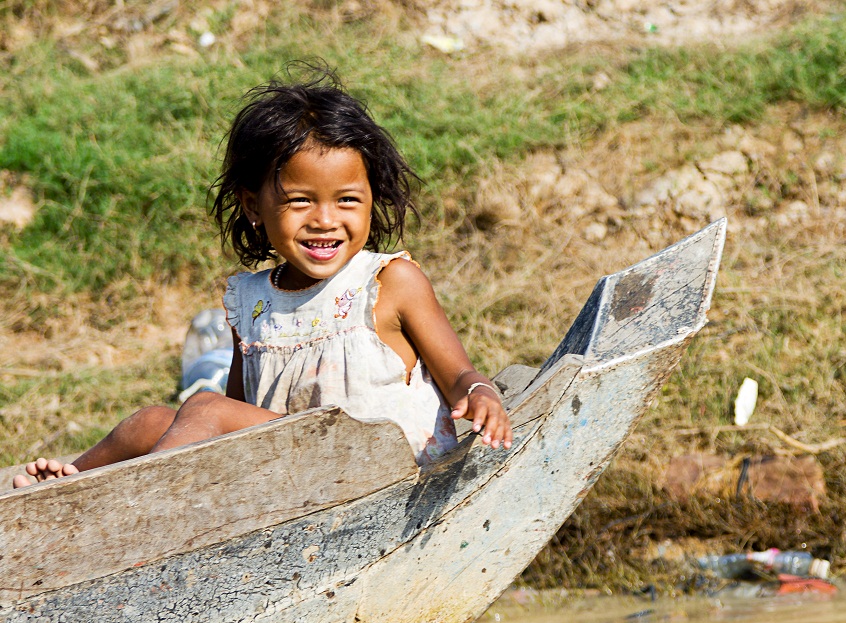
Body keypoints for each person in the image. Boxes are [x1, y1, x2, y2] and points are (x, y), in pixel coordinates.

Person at [14, 64, 511, 488]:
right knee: (152, 421)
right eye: (299, 200)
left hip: (379, 468)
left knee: (203, 407)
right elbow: (238, 412)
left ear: (371, 201)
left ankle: (147, 496)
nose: (324, 219)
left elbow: (458, 375)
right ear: (255, 206)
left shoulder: (389, 281)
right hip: (289, 474)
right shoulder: (250, 302)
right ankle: (65, 485)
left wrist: (480, 392)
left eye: (347, 200)